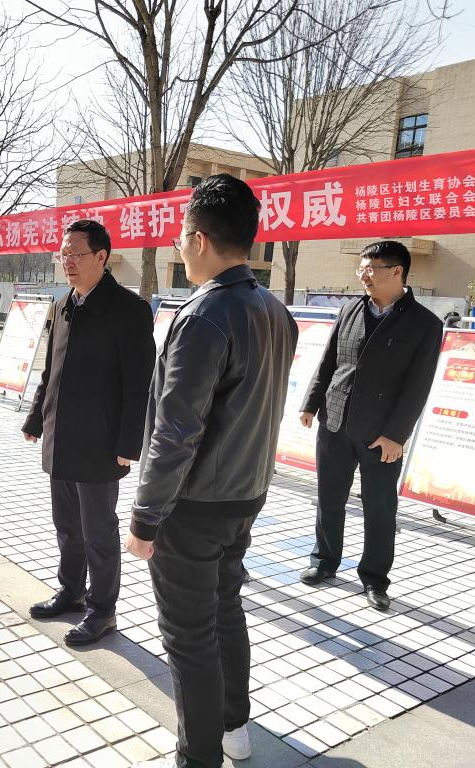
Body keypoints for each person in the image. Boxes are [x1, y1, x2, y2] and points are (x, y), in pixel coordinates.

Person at [125, 175, 297, 768]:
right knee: (225, 610)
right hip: (246, 493)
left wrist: (146, 517)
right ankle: (233, 728)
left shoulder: (204, 315)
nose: (178, 246)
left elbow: (176, 430)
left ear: (199, 239)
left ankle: (198, 757)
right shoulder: (274, 310)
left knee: (189, 636)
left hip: (193, 504)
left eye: (181, 236)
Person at [23, 219, 155, 647]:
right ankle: (72, 591)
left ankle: (103, 610)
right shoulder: (64, 304)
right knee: (66, 525)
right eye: (63, 254)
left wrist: (128, 443)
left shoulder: (128, 310)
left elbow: (139, 384)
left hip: (100, 442)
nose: (68, 262)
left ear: (101, 256)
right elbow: (51, 370)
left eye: (76, 254)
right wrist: (36, 418)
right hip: (61, 435)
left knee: (98, 531)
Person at [298, 240, 442, 611]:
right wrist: (311, 403)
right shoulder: (350, 309)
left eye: (371, 269)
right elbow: (329, 360)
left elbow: (418, 387)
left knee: (379, 508)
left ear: (397, 272)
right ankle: (324, 560)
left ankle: (375, 578)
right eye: (361, 268)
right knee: (329, 497)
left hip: (381, 434)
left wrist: (396, 436)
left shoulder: (425, 324)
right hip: (335, 421)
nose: (364, 275)